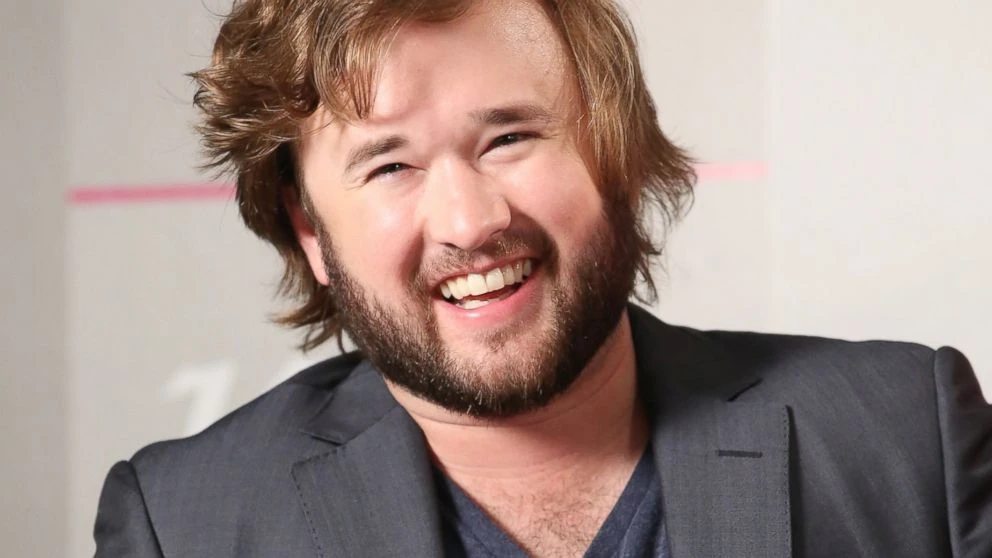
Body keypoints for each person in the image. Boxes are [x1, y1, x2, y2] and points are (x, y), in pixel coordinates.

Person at [94, 0, 992, 556]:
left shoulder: (907, 434)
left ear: (616, 150)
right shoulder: (183, 525)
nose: (469, 221)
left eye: (510, 137)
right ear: (309, 231)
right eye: (390, 166)